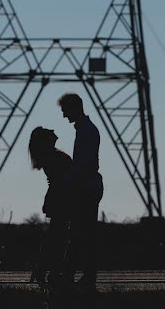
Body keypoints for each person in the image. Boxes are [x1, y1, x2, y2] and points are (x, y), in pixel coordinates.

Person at [58, 92, 104, 289]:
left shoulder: (87, 131)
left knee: (79, 234)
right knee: (83, 234)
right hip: (88, 187)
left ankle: (72, 276)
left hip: (86, 188)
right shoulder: (86, 129)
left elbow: (83, 165)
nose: (64, 116)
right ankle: (79, 276)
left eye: (65, 111)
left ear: (74, 108)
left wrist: (65, 179)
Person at [28, 126, 73, 286]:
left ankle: (45, 270)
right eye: (48, 131)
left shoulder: (52, 156)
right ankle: (49, 271)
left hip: (58, 199)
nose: (53, 130)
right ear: (46, 139)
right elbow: (63, 180)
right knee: (58, 238)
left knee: (56, 237)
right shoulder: (54, 156)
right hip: (61, 200)